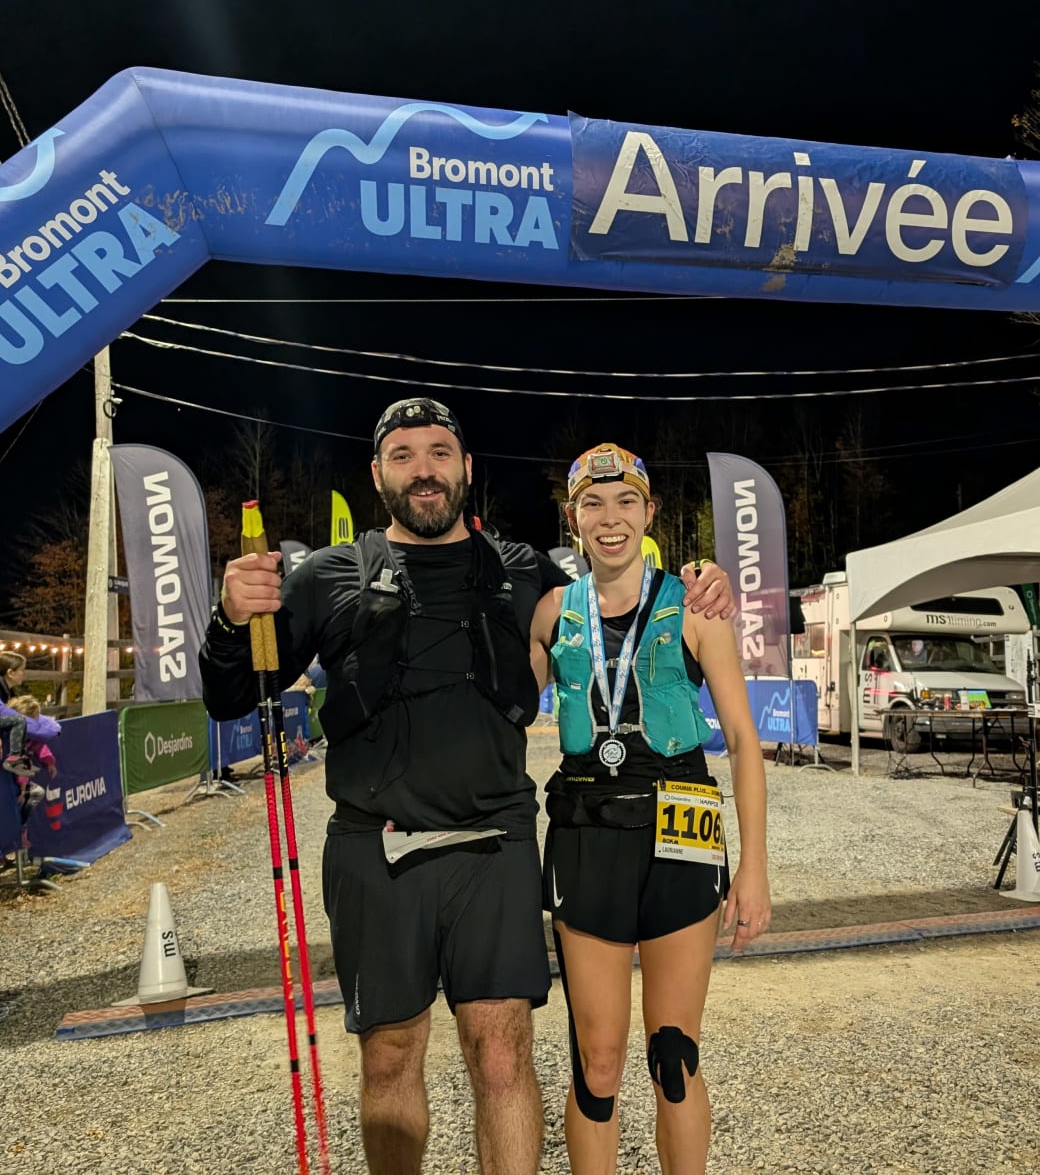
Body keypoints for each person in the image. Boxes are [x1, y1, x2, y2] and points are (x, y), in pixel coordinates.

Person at [199, 397, 733, 1175]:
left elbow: (618, 585)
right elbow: (230, 696)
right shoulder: (327, 575)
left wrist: (701, 579)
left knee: (503, 1053)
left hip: (494, 846)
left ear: (467, 468)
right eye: (404, 455)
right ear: (377, 473)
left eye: (439, 453)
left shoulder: (522, 572)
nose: (424, 470)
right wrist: (228, 618)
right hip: (375, 850)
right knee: (389, 1055)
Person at [529, 443, 771, 1175]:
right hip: (587, 836)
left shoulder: (696, 606)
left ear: (649, 512)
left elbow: (743, 741)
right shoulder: (551, 611)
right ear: (572, 518)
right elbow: (496, 716)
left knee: (674, 1057)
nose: (611, 520)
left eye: (626, 502)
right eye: (594, 505)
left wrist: (754, 868)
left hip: (681, 833)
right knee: (598, 1062)